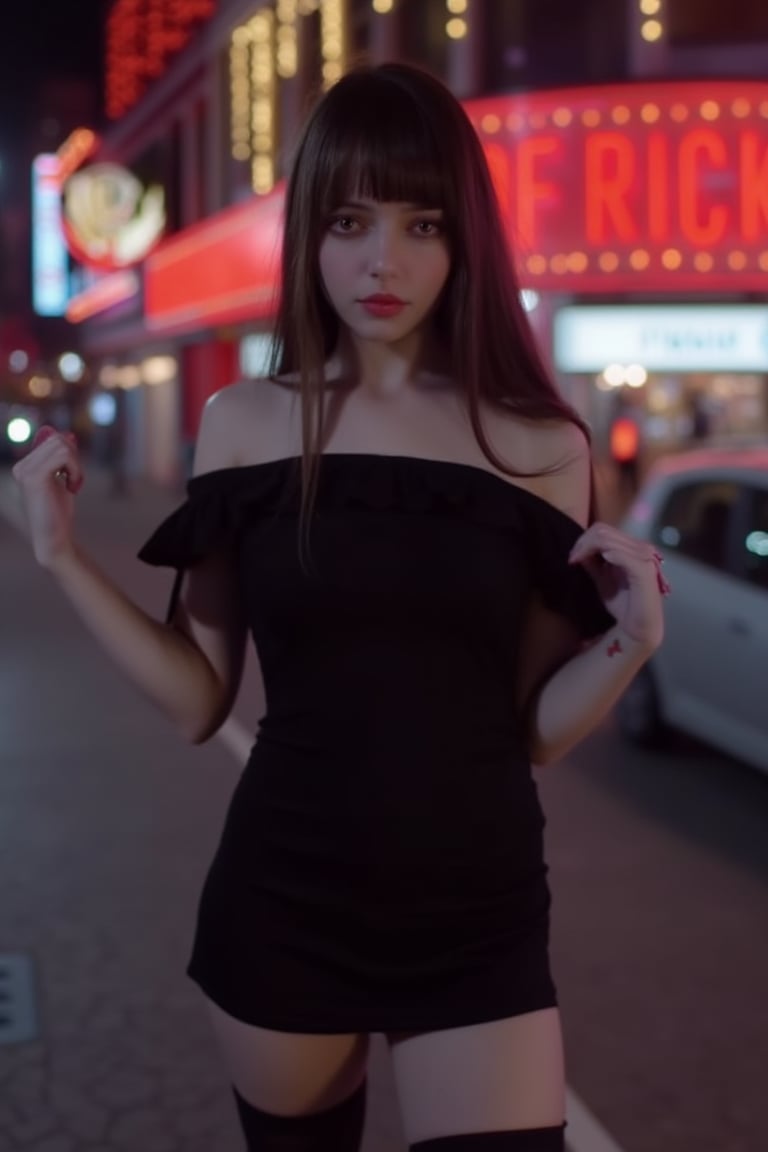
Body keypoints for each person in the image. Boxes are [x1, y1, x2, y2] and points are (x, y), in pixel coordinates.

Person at [13, 63, 667, 1152]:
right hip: (285, 899)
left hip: (479, 914)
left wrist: (633, 641)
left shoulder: (541, 445)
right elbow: (195, 699)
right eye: (353, 220)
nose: (383, 262)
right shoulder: (243, 425)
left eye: (423, 223)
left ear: (466, 243)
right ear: (311, 230)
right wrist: (64, 558)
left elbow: (532, 734)